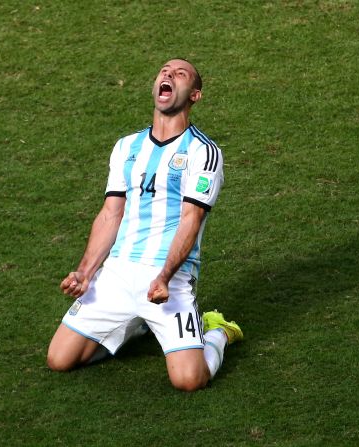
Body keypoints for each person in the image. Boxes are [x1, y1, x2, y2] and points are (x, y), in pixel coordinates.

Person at [46, 58, 242, 391]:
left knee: (189, 380)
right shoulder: (127, 147)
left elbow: (190, 219)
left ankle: (218, 331)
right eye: (164, 71)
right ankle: (138, 324)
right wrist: (85, 272)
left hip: (170, 280)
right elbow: (111, 213)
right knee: (60, 360)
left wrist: (164, 277)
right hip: (118, 274)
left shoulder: (203, 152)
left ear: (194, 96)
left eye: (180, 74)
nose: (168, 75)